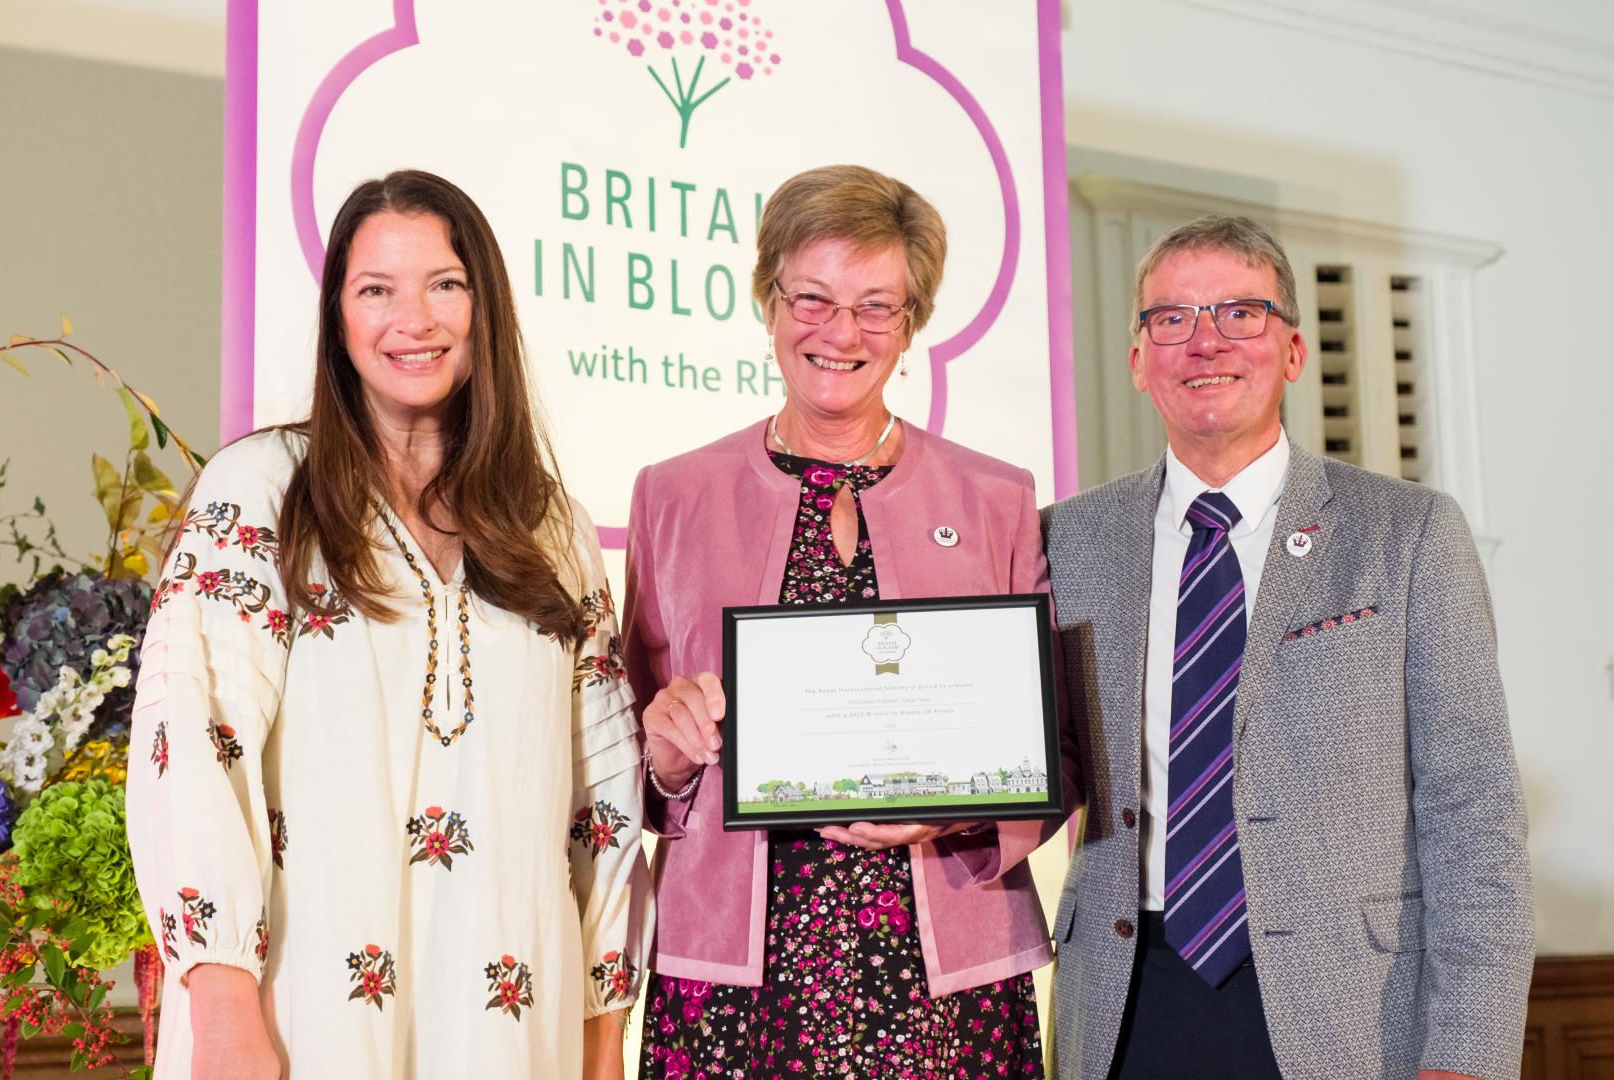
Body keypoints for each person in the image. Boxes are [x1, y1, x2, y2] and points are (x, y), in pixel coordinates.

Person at [126, 170, 651, 1079]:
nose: (415, 320)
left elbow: (600, 797)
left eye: (445, 285)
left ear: (486, 309)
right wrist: (220, 1011)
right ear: (338, 317)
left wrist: (603, 1038)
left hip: (516, 1029)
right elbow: (192, 742)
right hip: (301, 1015)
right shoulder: (261, 492)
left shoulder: (549, 526)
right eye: (377, 290)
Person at [1043, 214, 1534, 1080]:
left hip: (1347, 1008)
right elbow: (1030, 761)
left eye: (1241, 313)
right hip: (1127, 1002)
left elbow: (1476, 811)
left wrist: (1469, 1053)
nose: (1205, 342)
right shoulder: (1068, 541)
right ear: (1138, 362)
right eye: (1172, 318)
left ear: (1295, 350)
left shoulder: (1408, 534)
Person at [626, 164, 1058, 1077]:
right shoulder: (673, 496)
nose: (841, 332)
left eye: (877, 306)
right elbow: (634, 759)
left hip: (944, 972)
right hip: (737, 974)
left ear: (911, 325)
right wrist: (663, 758)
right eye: (812, 299)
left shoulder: (996, 499)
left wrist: (954, 813)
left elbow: (1048, 751)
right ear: (768, 301)